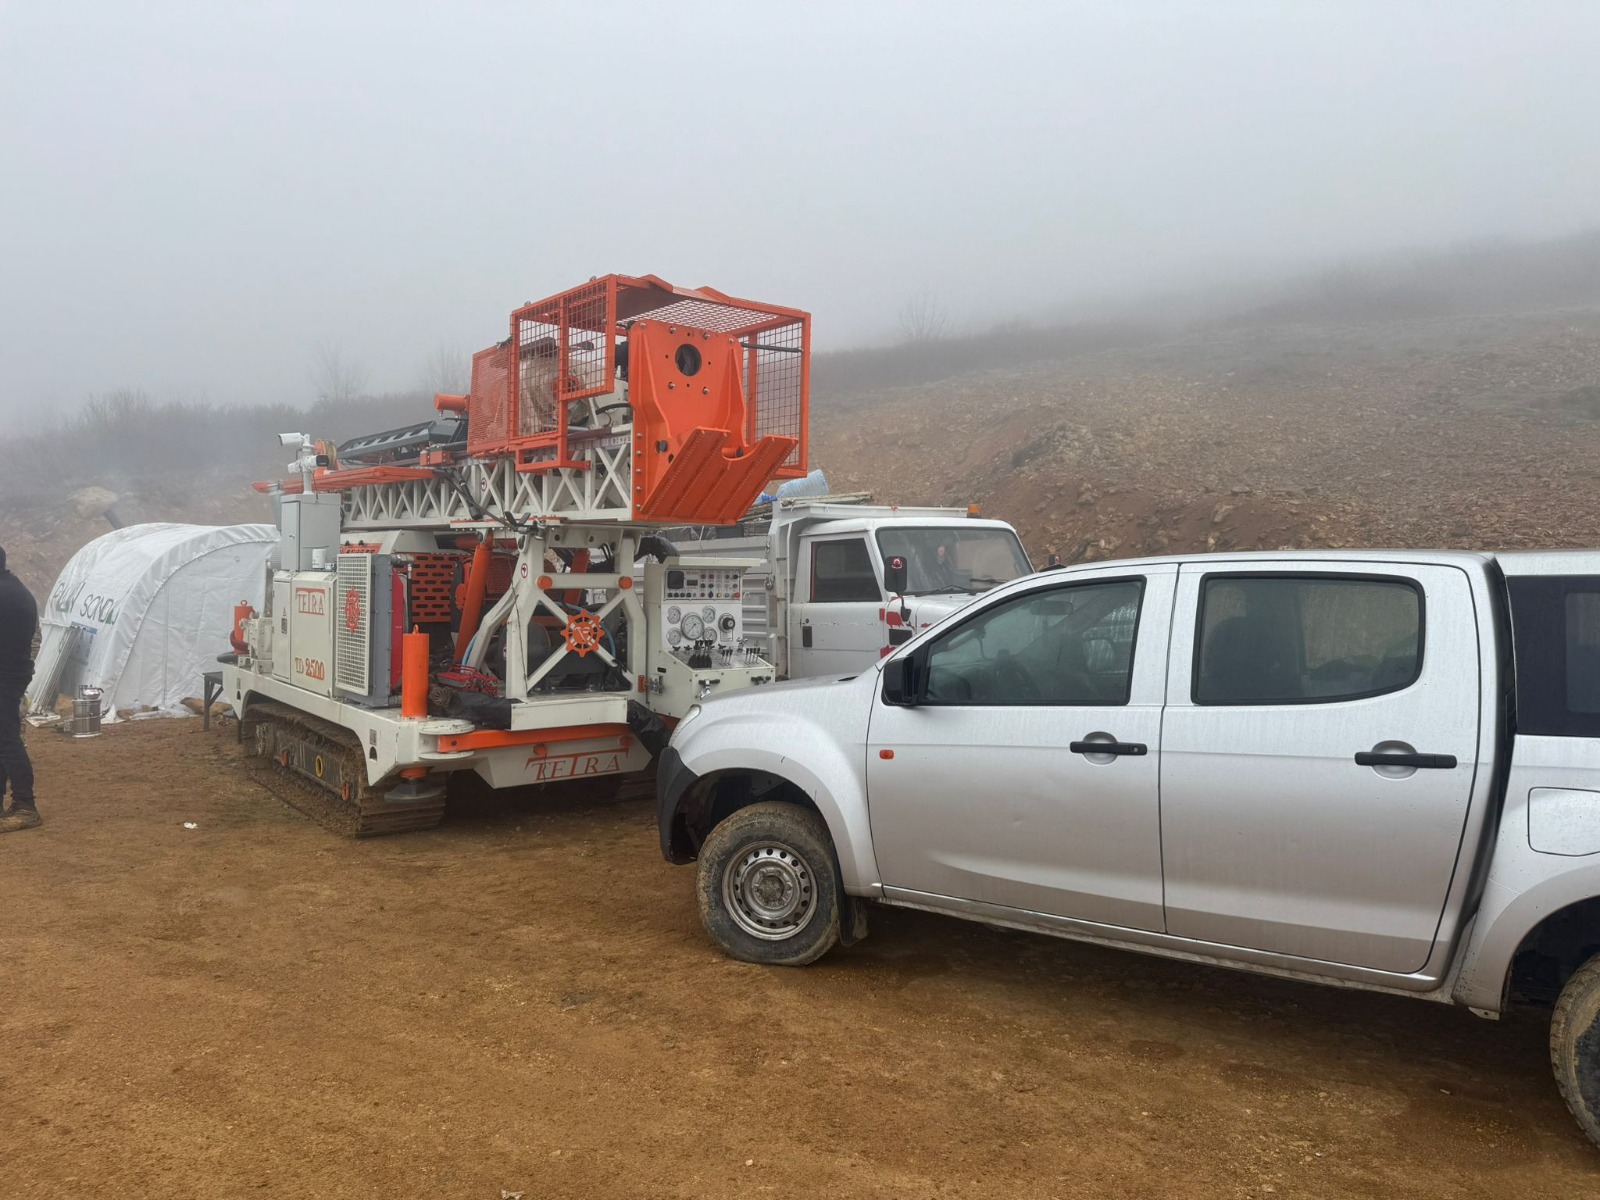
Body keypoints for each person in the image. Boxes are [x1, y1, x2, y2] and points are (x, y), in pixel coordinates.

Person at [0, 545, 40, 832]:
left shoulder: (6, 594)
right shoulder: (12, 587)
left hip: (5, 677)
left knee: (7, 740)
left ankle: (26, 807)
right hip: (11, 674)